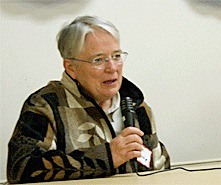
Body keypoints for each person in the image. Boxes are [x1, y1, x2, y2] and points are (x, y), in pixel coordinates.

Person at [7, 16, 170, 183]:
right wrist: (107, 157)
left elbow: (161, 168)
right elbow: (20, 168)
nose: (112, 68)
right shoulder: (45, 105)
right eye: (98, 60)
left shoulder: (136, 105)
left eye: (116, 56)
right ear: (71, 68)